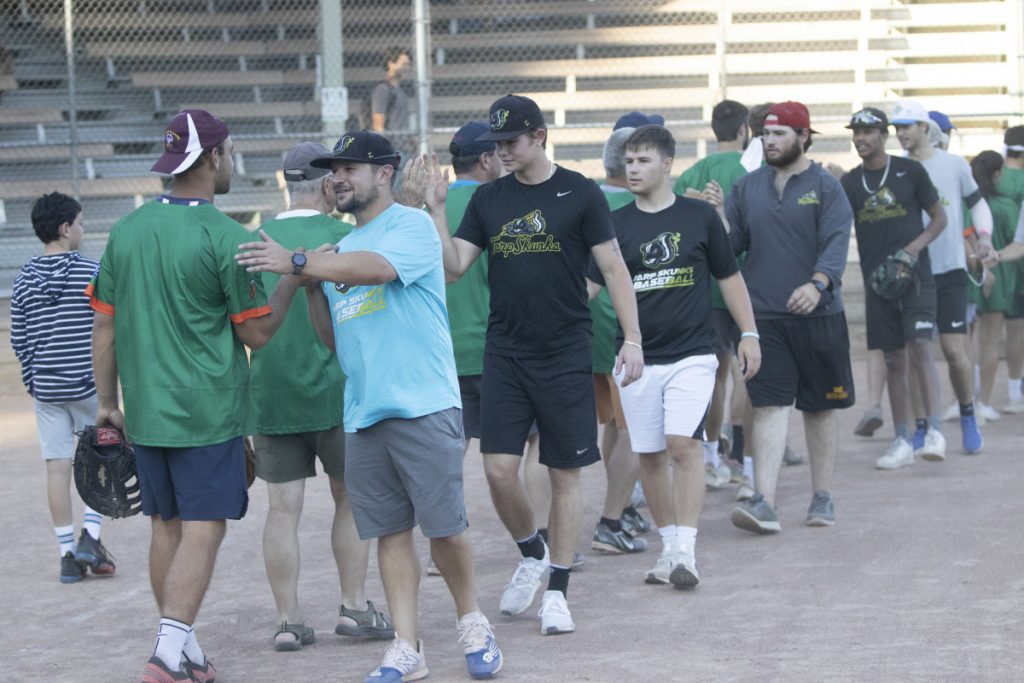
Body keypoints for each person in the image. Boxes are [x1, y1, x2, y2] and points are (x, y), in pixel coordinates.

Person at [236, 130, 503, 682]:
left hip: (423, 405)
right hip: (364, 410)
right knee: (389, 533)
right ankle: (408, 645)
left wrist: (302, 259)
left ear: (384, 173)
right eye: (333, 169)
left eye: (350, 167)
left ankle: (472, 621)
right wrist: (310, 283)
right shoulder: (336, 253)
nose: (338, 177)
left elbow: (378, 271)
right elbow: (335, 340)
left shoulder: (408, 226)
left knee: (446, 529)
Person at [89, 109, 305, 682]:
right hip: (209, 408)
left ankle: (184, 651)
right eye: (228, 151)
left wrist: (107, 403)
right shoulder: (226, 236)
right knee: (206, 525)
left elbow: (104, 326)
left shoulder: (127, 230)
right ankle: (166, 650)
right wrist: (291, 279)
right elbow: (256, 332)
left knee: (167, 525)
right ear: (211, 158)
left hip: (148, 407)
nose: (231, 160)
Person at [427, 94, 644, 634]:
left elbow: (614, 269)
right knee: (498, 469)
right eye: (497, 144)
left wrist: (633, 338)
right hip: (506, 350)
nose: (502, 152)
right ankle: (533, 552)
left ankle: (559, 591)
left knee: (565, 473)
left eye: (512, 142)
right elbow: (454, 267)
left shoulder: (581, 191)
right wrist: (434, 209)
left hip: (565, 349)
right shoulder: (487, 199)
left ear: (539, 137)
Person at [588, 124, 760, 587]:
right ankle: (668, 548)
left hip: (693, 353)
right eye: (628, 161)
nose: (634, 169)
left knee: (682, 443)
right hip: (638, 358)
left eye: (643, 161)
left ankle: (686, 548)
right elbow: (588, 287)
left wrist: (749, 333)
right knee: (649, 454)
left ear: (667, 165)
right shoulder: (615, 225)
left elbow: (730, 278)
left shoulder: (698, 217)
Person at [249, 142, 394, 652]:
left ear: (285, 180)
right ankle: (354, 606)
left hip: (271, 392)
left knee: (281, 508)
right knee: (350, 500)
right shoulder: (347, 237)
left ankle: (288, 620)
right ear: (329, 183)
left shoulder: (256, 241)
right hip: (341, 391)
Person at [726, 101, 856, 534]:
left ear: (803, 136)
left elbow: (836, 241)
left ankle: (823, 495)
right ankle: (765, 501)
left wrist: (817, 283)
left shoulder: (826, 185)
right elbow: (733, 244)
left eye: (779, 134)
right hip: (764, 315)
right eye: (765, 134)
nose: (770, 141)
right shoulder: (746, 188)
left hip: (820, 314)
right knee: (768, 405)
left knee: (819, 409)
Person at [10, 192, 115, 584]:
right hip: (89, 384)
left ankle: (66, 555)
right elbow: (106, 328)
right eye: (82, 223)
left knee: (57, 467)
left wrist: (34, 379)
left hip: (47, 387)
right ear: (65, 228)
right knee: (103, 458)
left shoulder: (23, 280)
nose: (84, 229)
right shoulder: (93, 270)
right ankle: (92, 536)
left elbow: (19, 339)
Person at [839, 107, 947, 469]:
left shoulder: (910, 171)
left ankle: (933, 431)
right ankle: (902, 439)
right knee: (893, 358)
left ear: (883, 135)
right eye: (856, 133)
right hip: (877, 285)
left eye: (868, 132)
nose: (860, 139)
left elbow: (939, 218)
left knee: (920, 346)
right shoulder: (851, 182)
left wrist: (912, 250)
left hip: (914, 276)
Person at [891, 100, 994, 454]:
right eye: (896, 127)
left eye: (907, 126)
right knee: (917, 351)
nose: (900, 133)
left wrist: (984, 238)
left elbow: (978, 202)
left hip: (949, 269)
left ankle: (967, 412)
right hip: (912, 273)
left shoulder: (952, 165)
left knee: (954, 350)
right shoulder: (896, 168)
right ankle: (921, 427)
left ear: (924, 128)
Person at [673, 99, 752, 490]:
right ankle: (741, 455)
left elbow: (673, 199)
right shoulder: (752, 169)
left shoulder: (695, 170)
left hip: (707, 287)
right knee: (747, 370)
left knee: (716, 372)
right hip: (747, 283)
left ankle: (710, 454)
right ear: (744, 130)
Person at [590, 124, 649, 555]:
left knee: (615, 422)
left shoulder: (587, 196)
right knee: (637, 428)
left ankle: (622, 505)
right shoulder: (638, 206)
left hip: (588, 328)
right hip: (620, 329)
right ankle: (612, 518)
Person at [969, 151, 1021, 416]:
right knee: (990, 341)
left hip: (968, 277)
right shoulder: (1006, 207)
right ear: (997, 175)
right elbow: (1017, 242)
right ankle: (984, 403)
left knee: (966, 341)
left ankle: (965, 400)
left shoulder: (969, 205)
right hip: (998, 279)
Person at [998, 126, 1024, 413]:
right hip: (1017, 262)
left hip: (996, 261)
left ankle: (1013, 391)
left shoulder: (993, 176)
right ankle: (1016, 391)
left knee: (993, 331)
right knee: (1017, 330)